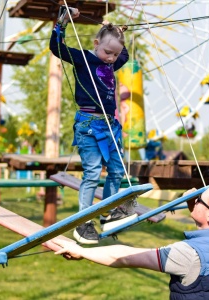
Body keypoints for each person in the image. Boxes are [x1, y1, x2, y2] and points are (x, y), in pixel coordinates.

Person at [53, 180, 209, 299]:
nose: (194, 199)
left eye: (199, 199)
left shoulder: (189, 255)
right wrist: (196, 206)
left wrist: (82, 251)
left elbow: (127, 256)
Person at [50, 7, 136, 245]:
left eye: (114, 55)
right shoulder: (85, 59)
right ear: (96, 43)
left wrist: (118, 33)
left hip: (110, 126)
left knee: (117, 171)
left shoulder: (112, 62)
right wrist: (63, 22)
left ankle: (107, 213)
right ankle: (83, 222)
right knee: (92, 172)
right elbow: (57, 48)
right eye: (108, 52)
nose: (111, 59)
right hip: (88, 124)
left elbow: (125, 56)